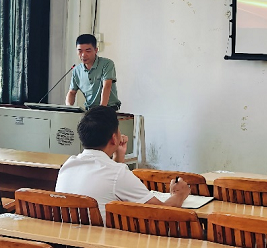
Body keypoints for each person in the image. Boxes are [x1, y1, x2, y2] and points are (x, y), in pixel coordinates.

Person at [55, 105, 190, 222]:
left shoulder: (67, 166)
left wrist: (119, 155)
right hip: (105, 239)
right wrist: (179, 194)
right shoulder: (117, 174)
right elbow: (162, 213)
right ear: (114, 138)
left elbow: (111, 184)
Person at [66, 34, 121, 110]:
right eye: (80, 51)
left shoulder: (107, 64)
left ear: (96, 50)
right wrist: (68, 108)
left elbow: (107, 86)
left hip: (108, 109)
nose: (83, 55)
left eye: (88, 51)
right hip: (90, 110)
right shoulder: (76, 70)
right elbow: (72, 92)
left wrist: (101, 110)